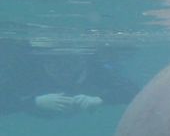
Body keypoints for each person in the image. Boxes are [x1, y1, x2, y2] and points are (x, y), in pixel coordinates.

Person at [0, 38, 139, 117]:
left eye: (71, 63)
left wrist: (100, 100)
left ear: (82, 60)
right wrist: (34, 102)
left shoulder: (95, 69)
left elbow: (134, 92)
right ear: (44, 63)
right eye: (56, 64)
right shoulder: (26, 70)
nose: (64, 72)